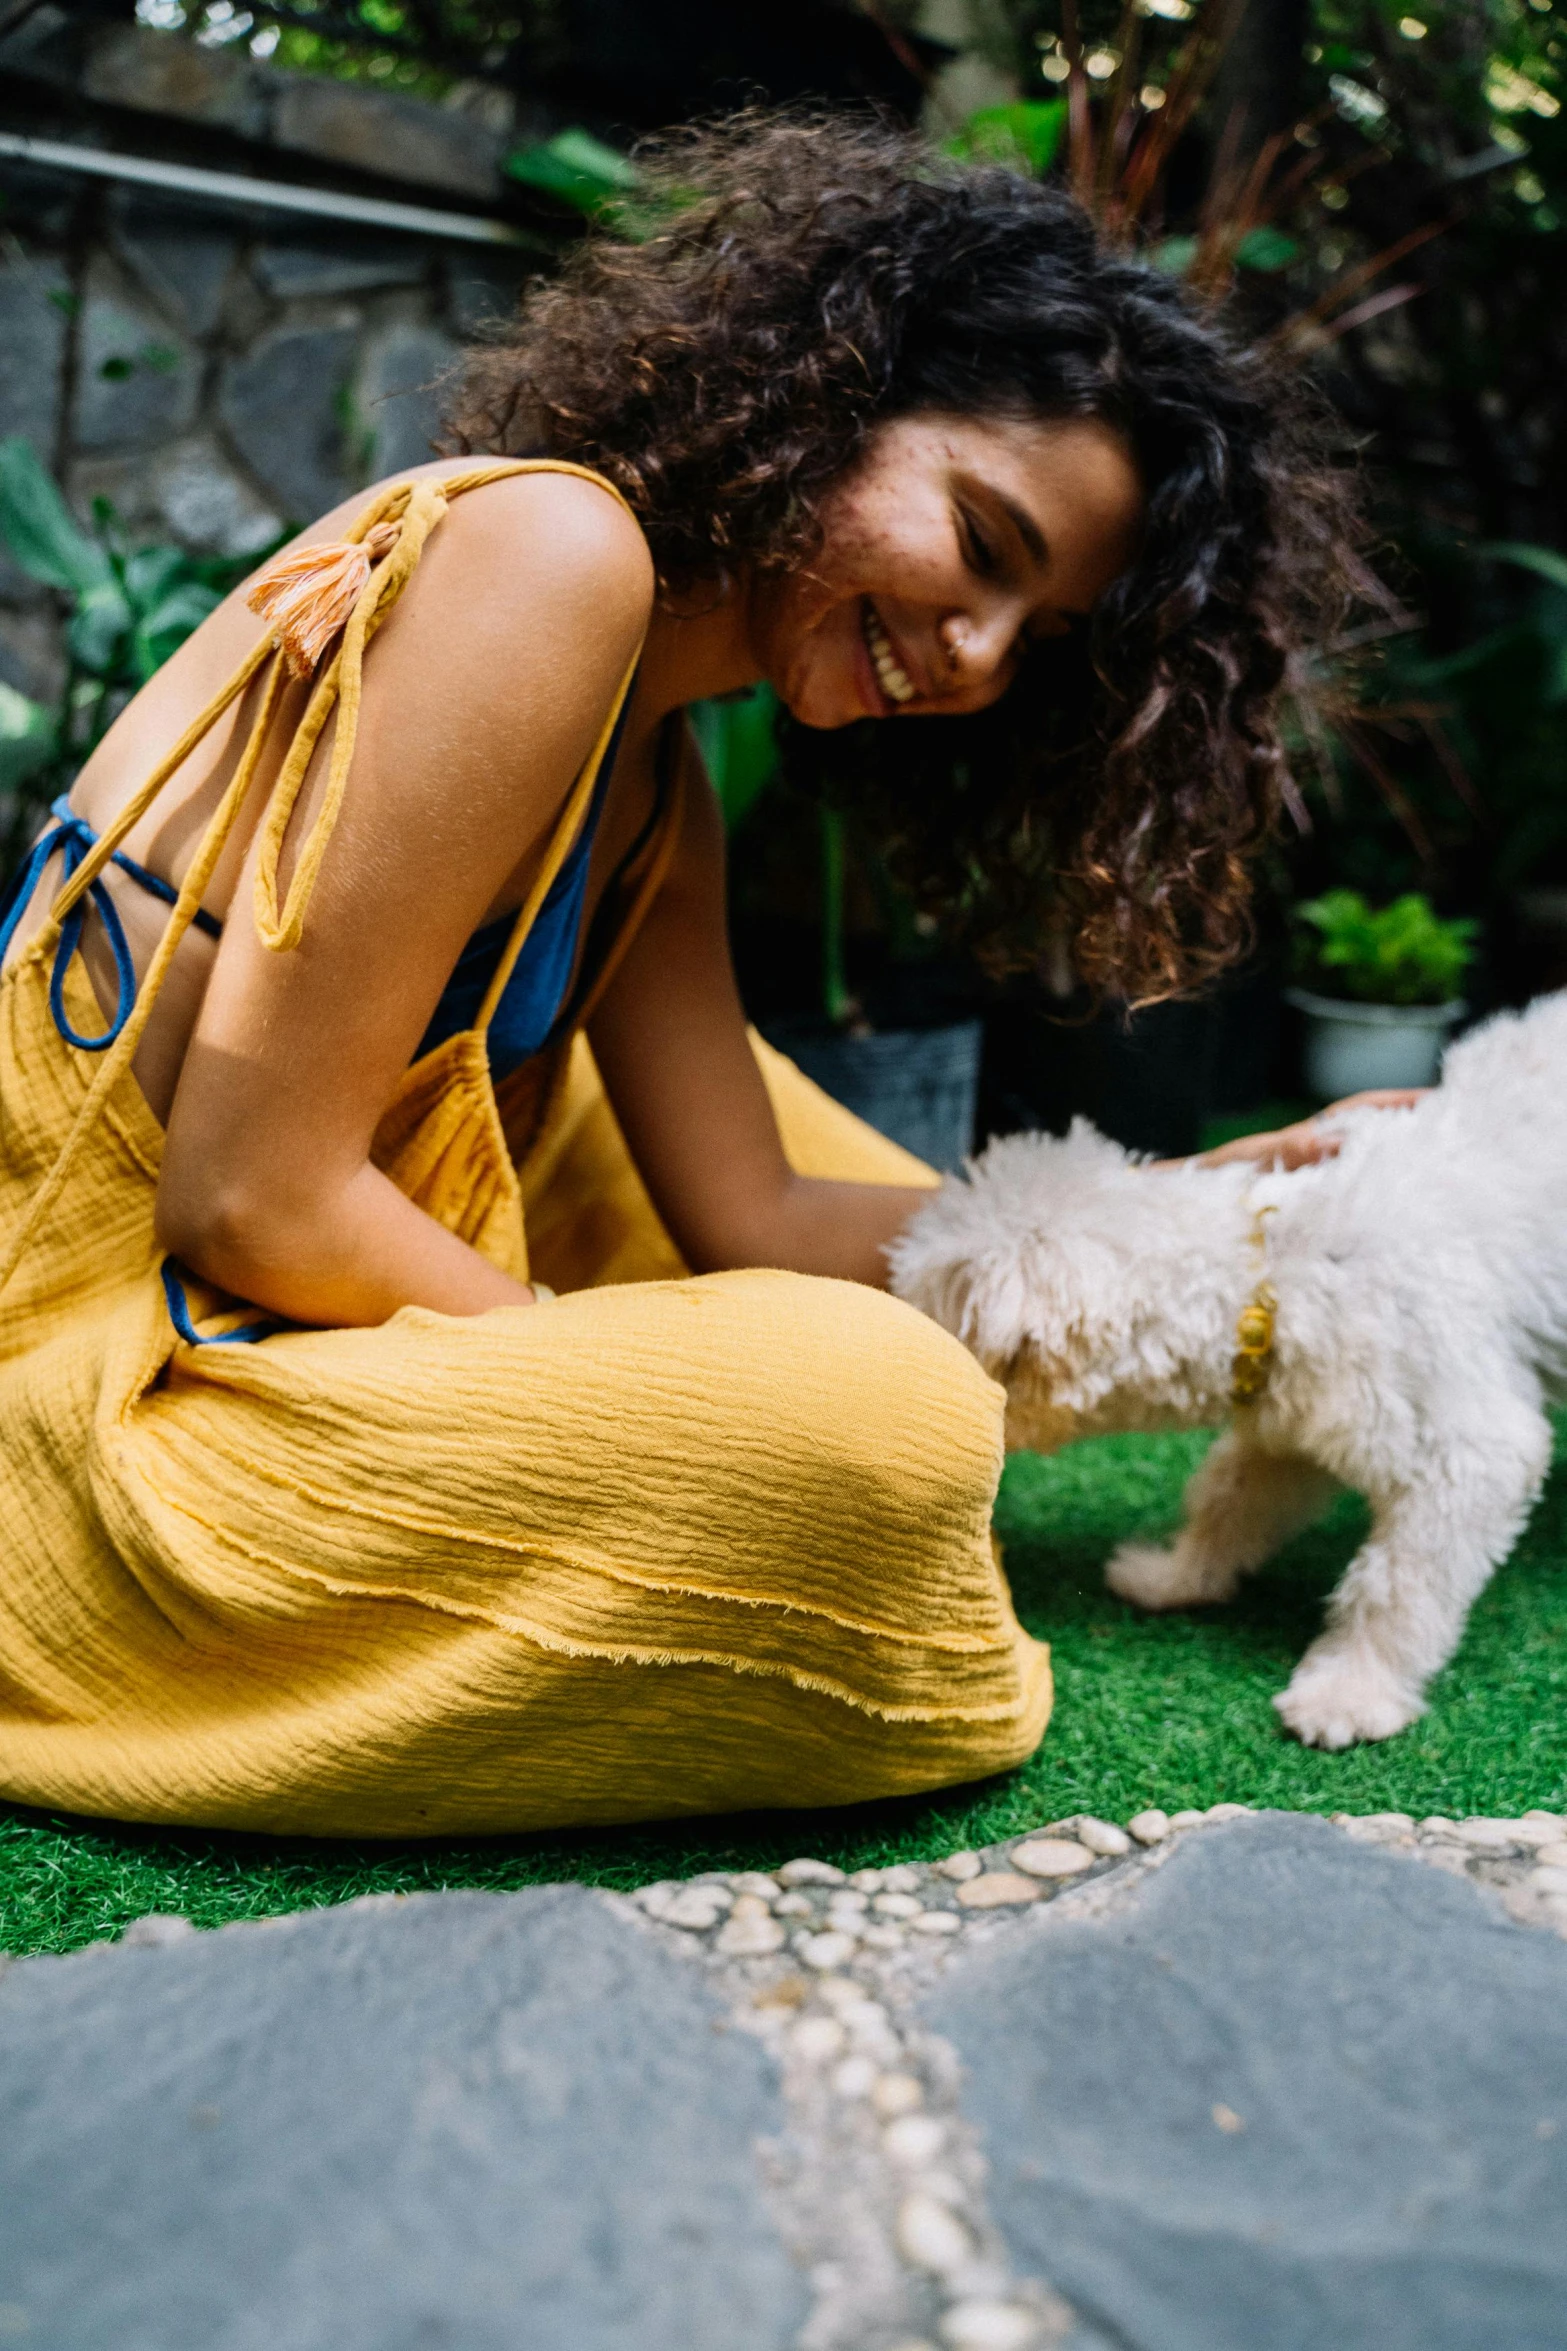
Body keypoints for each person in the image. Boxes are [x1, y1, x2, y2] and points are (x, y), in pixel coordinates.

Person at [0, 114, 1367, 1838]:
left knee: (898, 1240)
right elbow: (251, 1199)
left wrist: (1194, 1211)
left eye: (1040, 639)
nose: (976, 654)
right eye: (981, 545)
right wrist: (622, 1387)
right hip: (83, 1410)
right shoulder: (547, 556)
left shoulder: (651, 786)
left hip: (248, 1335)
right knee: (874, 1420)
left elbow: (760, 1213)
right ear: (831, 392)